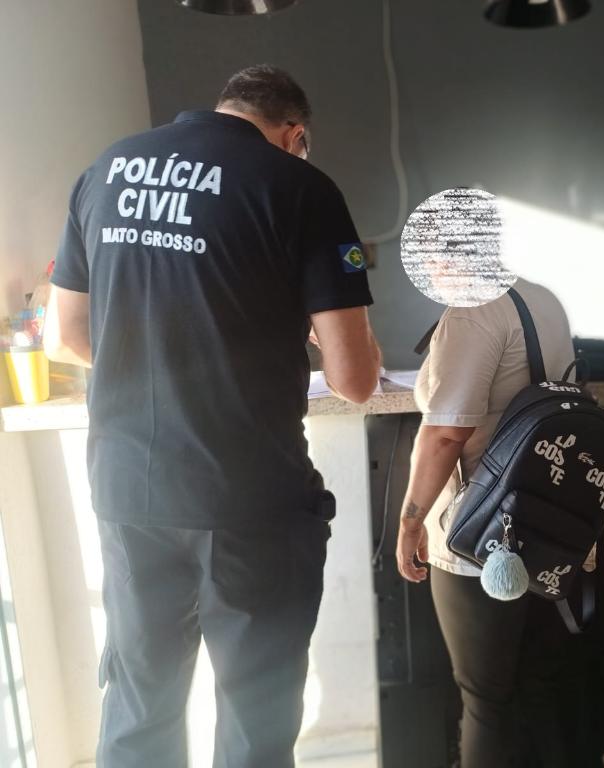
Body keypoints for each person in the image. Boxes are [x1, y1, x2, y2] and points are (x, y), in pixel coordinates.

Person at [44, 65, 381, 767]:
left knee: (139, 703)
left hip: (128, 490)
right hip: (247, 495)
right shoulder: (300, 187)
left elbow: (66, 336)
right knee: (255, 718)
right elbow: (354, 380)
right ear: (295, 134)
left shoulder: (108, 170)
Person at [395, 278, 577, 767]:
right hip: (551, 522)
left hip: (482, 535)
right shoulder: (543, 297)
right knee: (539, 687)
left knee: (485, 699)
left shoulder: (471, 312)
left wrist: (411, 522)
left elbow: (445, 435)